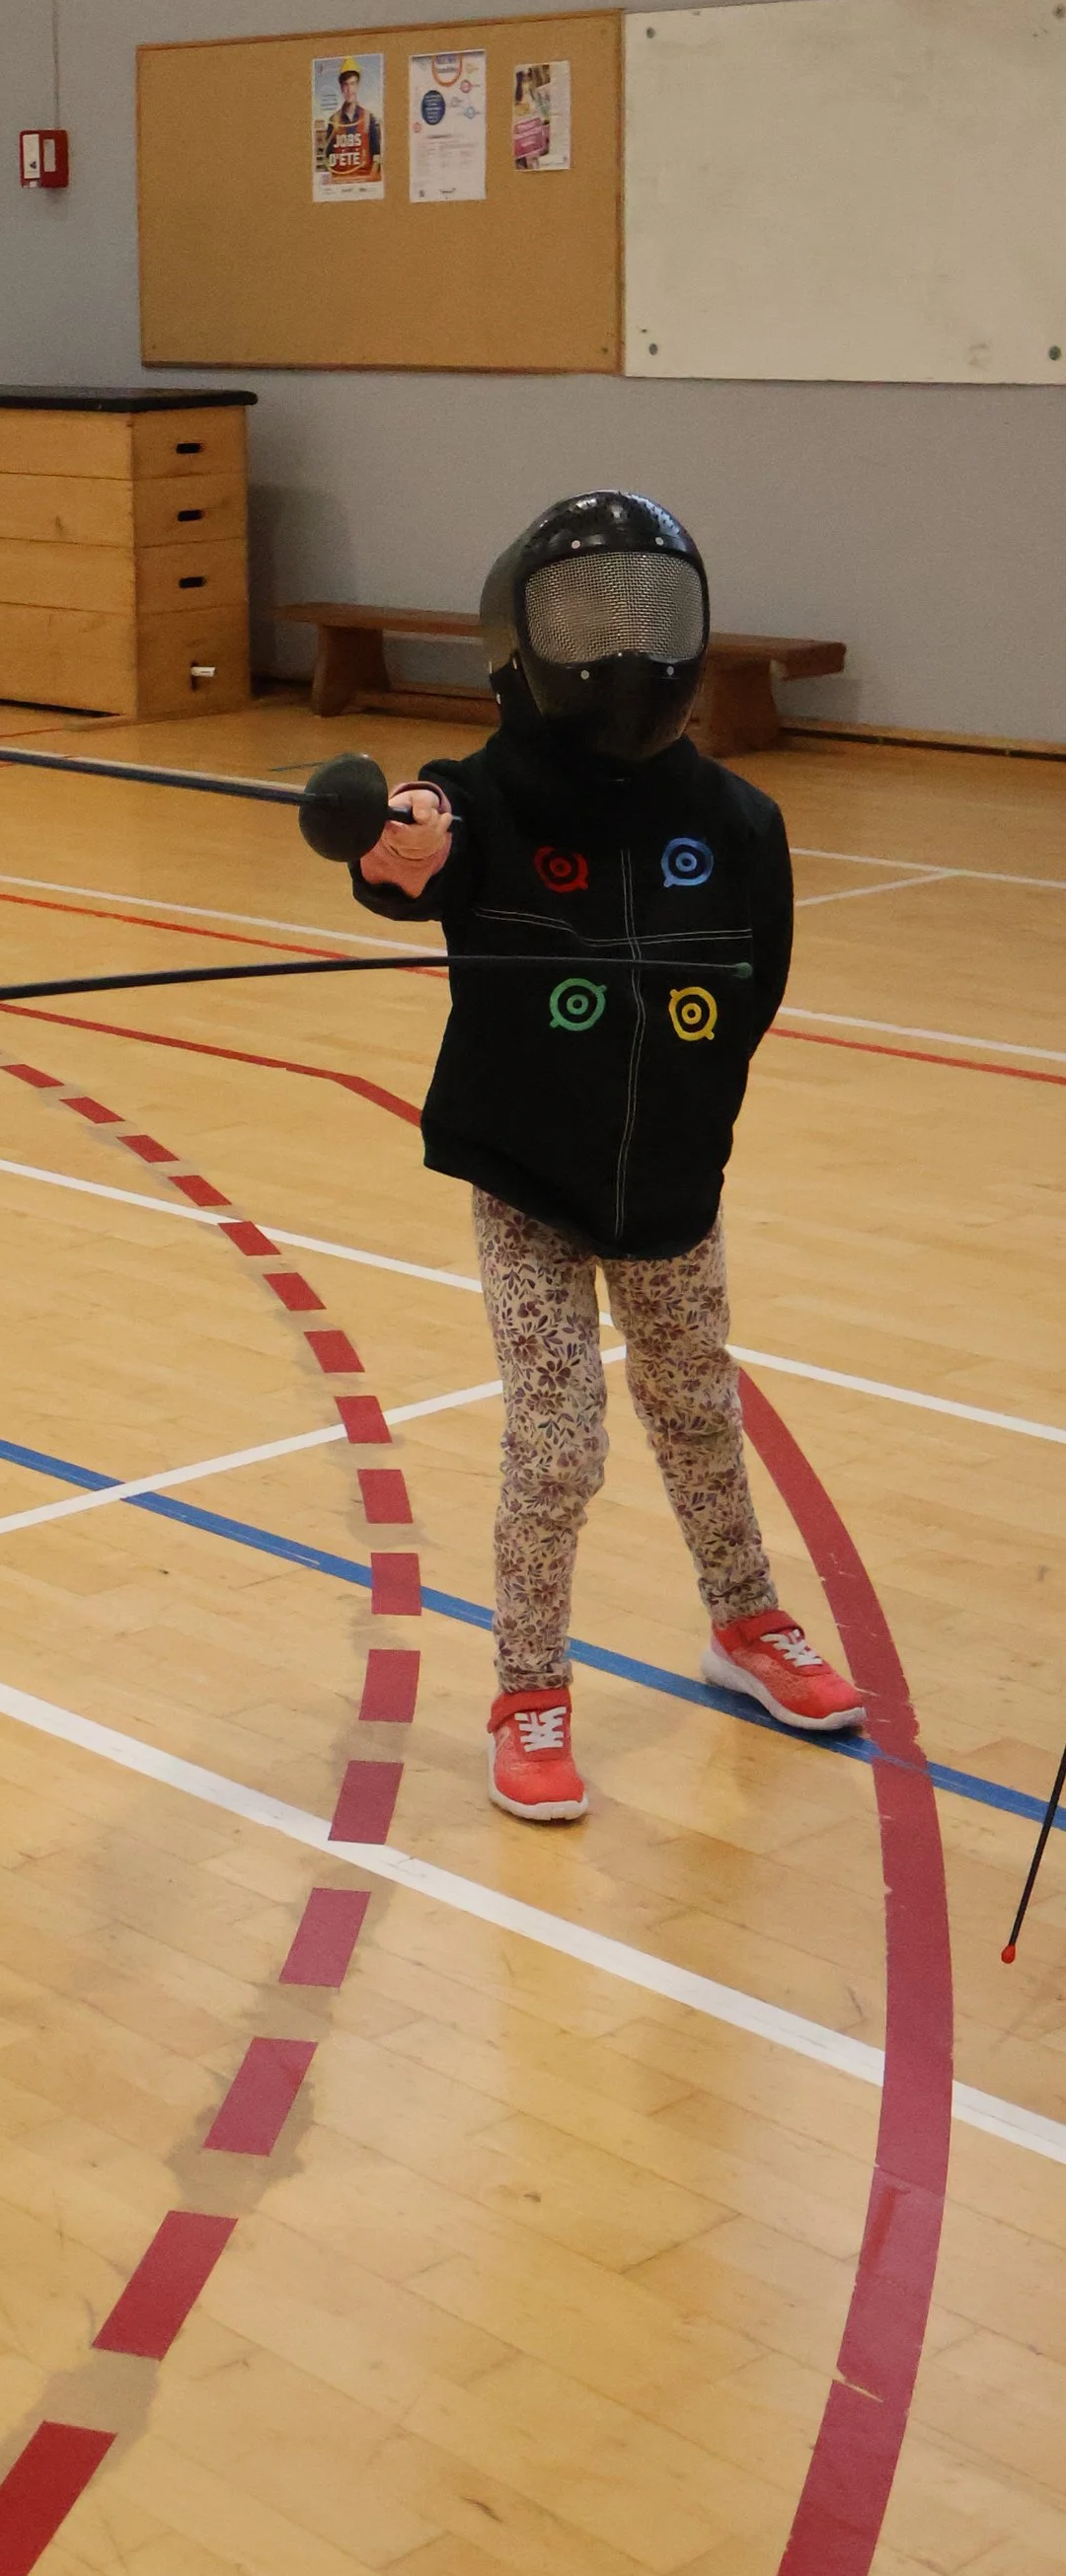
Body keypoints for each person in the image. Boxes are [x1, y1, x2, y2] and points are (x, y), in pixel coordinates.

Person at [341, 491, 860, 1825]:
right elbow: (421, 843)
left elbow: (751, 996)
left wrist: (678, 1114)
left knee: (697, 1412)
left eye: (644, 613)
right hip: (530, 1181)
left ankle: (744, 1622)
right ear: (521, 646)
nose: (623, 646)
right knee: (559, 1439)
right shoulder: (489, 798)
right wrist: (404, 838)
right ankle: (528, 1686)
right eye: (586, 616)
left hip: (676, 1184)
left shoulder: (739, 824)